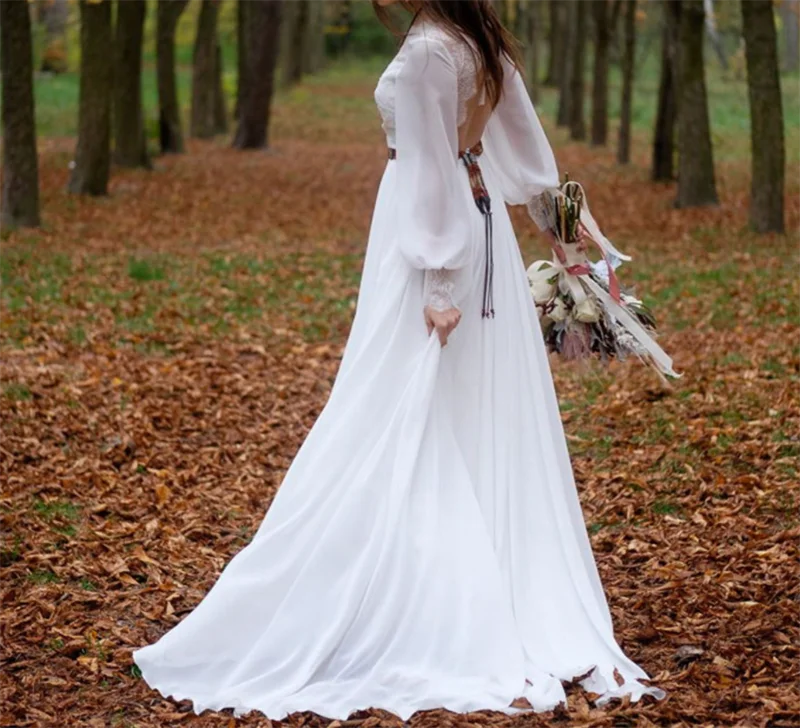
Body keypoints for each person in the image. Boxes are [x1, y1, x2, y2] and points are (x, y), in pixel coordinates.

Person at [133, 0, 665, 720]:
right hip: (480, 242)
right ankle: (481, 573)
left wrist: (440, 279)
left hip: (437, 242)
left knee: (401, 401)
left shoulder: (428, 53)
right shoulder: (474, 40)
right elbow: (521, 150)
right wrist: (558, 228)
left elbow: (431, 165)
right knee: (465, 405)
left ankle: (423, 591)